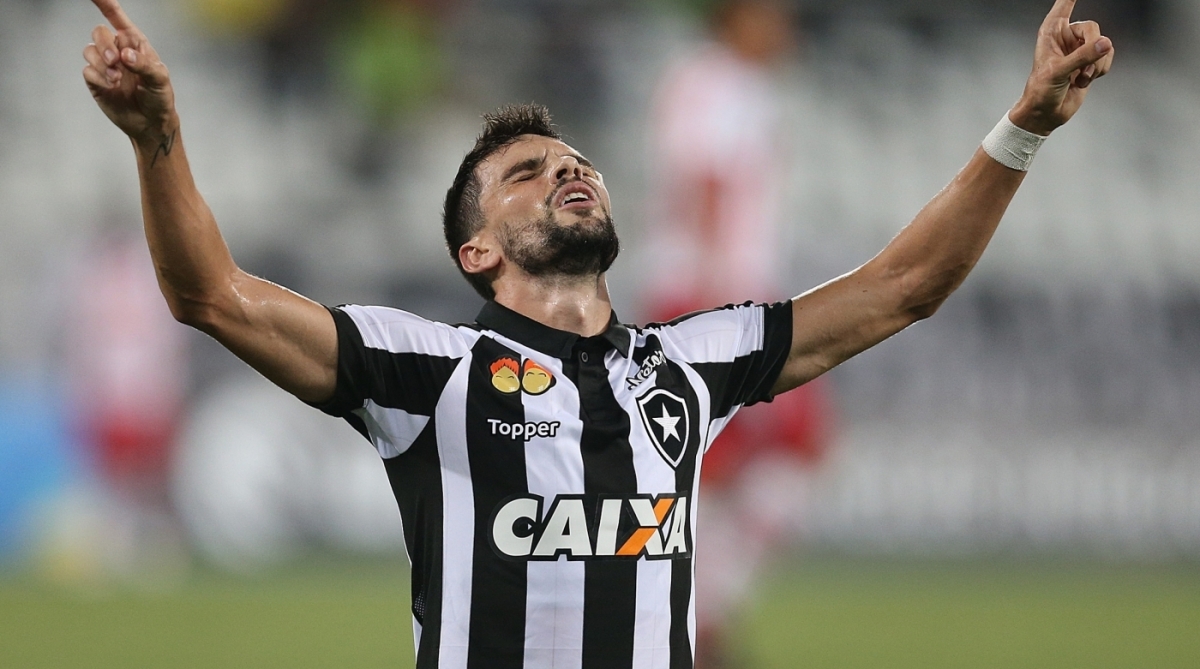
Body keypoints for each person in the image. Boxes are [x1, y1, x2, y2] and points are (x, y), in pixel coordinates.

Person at [81, 0, 1113, 666]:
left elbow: (904, 286)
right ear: (477, 254)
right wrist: (158, 136)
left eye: (575, 161)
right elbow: (209, 292)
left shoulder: (693, 365)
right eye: (526, 173)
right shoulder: (425, 371)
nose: (567, 171)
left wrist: (1023, 127)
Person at [644, 2, 831, 665]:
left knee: (760, 463)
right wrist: (714, 307)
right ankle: (691, 622)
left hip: (730, 298)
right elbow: (708, 188)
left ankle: (699, 616)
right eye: (772, 12)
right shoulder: (719, 82)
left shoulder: (719, 82)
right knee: (749, 464)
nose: (785, 25)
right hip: (714, 299)